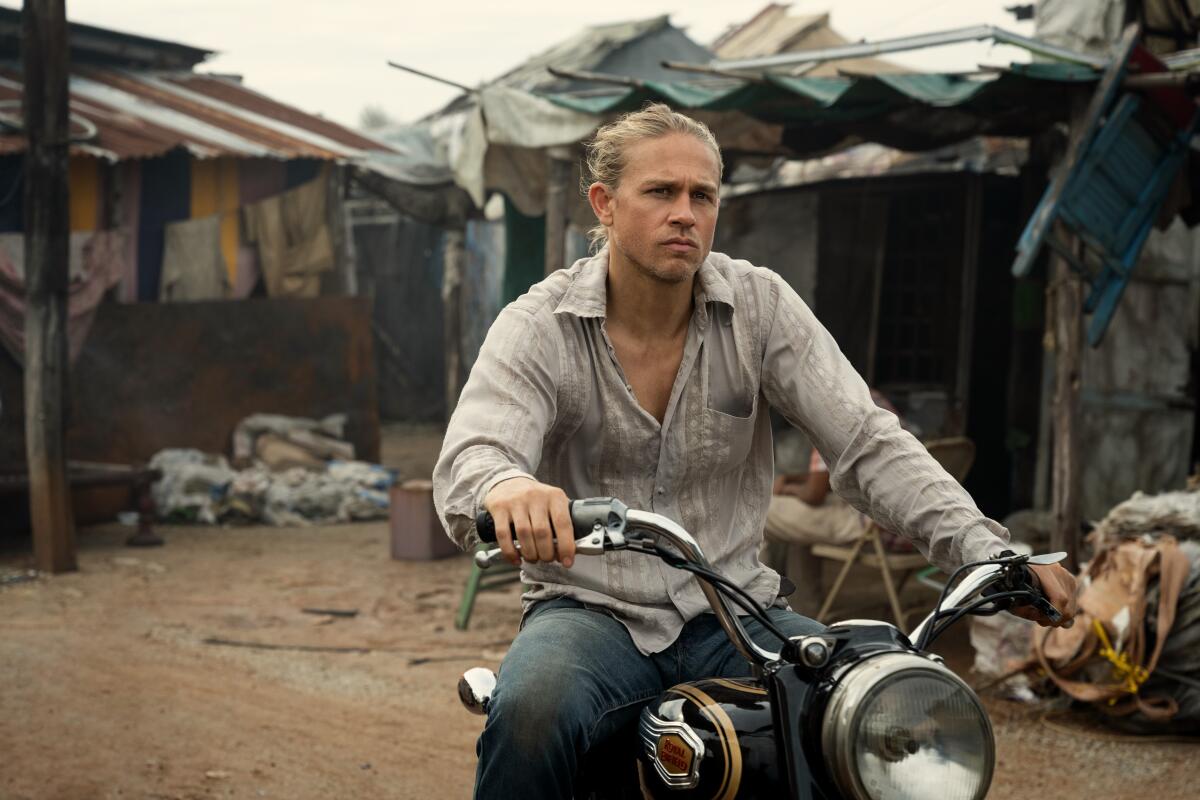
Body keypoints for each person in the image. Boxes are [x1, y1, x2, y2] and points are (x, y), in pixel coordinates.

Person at [433, 103, 1077, 799]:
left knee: (871, 707)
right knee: (530, 715)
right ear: (605, 205)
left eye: (701, 195)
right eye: (660, 192)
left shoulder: (760, 307)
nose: (684, 212)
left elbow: (865, 441)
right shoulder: (540, 325)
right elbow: (477, 451)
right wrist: (506, 489)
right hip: (589, 614)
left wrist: (986, 551)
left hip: (733, 613)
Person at [761, 389, 907, 615]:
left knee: (760, 512)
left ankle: (754, 609)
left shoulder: (827, 410)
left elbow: (814, 493)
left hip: (869, 524)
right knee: (798, 528)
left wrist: (786, 488)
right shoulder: (874, 400)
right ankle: (804, 611)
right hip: (902, 522)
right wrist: (792, 480)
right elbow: (838, 474)